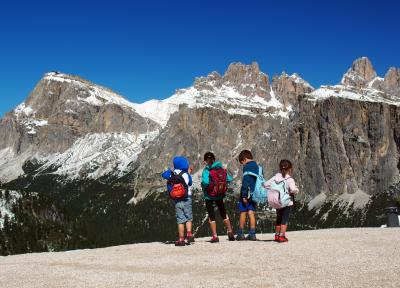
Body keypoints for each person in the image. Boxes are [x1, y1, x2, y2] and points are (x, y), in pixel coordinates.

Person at [201, 152, 235, 243]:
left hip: (209, 196)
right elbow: (229, 179)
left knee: (211, 215)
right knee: (223, 213)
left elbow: (205, 182)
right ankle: (230, 232)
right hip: (219, 195)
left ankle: (215, 236)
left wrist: (203, 187)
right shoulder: (220, 168)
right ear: (214, 159)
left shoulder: (206, 171)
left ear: (205, 161)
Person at [162, 156, 194, 246]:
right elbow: (190, 183)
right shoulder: (186, 174)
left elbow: (163, 175)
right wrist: (188, 172)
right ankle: (189, 234)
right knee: (188, 218)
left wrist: (170, 170)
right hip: (187, 198)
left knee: (180, 220)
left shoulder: (171, 174)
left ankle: (181, 239)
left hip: (177, 200)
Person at [264, 159, 299, 242]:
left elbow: (265, 185)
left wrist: (273, 189)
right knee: (285, 219)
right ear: (290, 169)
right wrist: (296, 190)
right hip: (287, 202)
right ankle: (282, 236)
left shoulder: (275, 177)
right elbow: (293, 190)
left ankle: (276, 235)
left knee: (279, 218)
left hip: (277, 201)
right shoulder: (290, 179)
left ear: (280, 168)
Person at [236, 150, 260, 241]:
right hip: (254, 194)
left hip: (247, 194)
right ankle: (252, 234)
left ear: (245, 159)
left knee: (243, 212)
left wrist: (244, 196)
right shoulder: (257, 166)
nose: (242, 164)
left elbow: (246, 181)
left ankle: (240, 233)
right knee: (251, 212)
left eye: (242, 162)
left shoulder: (247, 167)